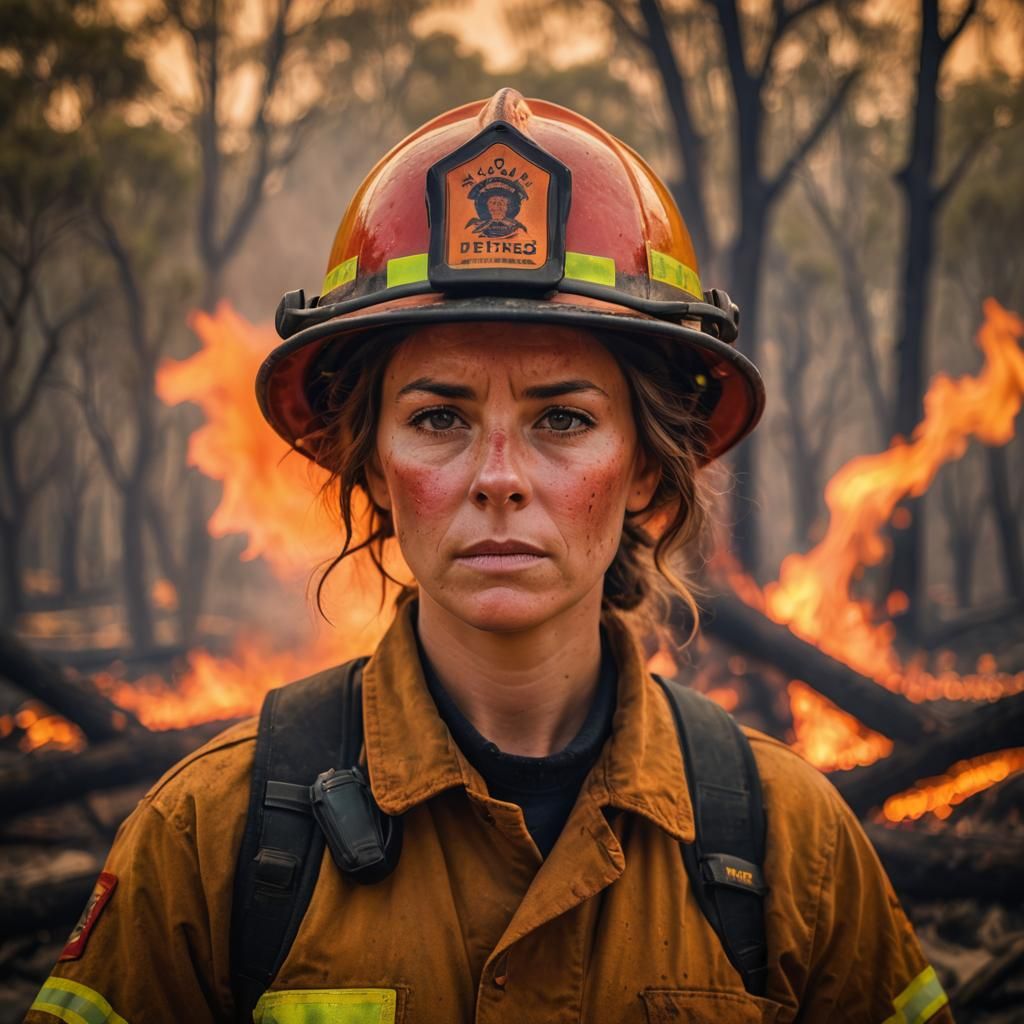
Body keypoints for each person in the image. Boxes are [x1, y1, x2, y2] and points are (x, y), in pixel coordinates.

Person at [26, 89, 952, 1024]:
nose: (499, 478)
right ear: (375, 467)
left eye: (563, 418)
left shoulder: (797, 848)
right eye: (439, 418)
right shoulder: (207, 839)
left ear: (645, 468)